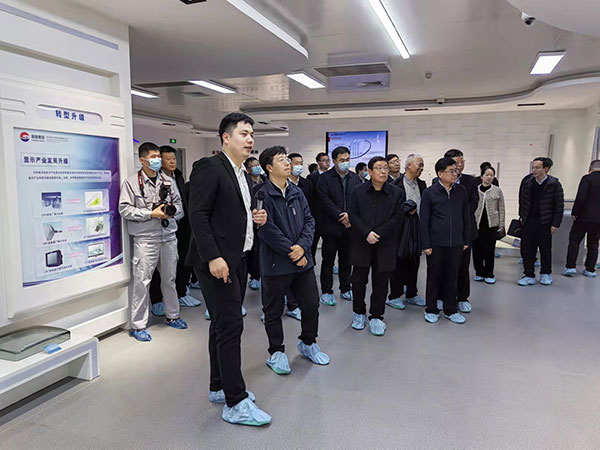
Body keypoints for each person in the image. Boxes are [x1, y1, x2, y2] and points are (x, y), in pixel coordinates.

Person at [187, 113, 271, 426]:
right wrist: (213, 257)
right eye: (243, 134)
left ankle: (218, 386)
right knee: (231, 326)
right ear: (226, 137)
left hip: (238, 258)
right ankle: (235, 401)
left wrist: (255, 218)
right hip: (218, 262)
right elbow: (198, 215)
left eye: (252, 135)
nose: (250, 140)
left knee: (222, 325)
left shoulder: (242, 173)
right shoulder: (210, 167)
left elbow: (232, 213)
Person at [256, 146, 329, 375]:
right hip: (276, 264)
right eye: (282, 160)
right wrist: (292, 250)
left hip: (303, 261)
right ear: (269, 167)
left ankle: (308, 342)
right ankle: (276, 351)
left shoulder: (297, 191)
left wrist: (302, 247)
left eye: (288, 159)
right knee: (273, 310)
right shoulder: (262, 194)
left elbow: (309, 221)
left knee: (311, 304)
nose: (288, 163)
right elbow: (266, 229)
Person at [118, 142, 187, 342]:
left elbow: (180, 208)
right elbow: (124, 209)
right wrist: (151, 213)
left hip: (168, 237)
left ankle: (173, 315)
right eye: (154, 157)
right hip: (145, 240)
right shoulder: (131, 183)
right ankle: (138, 325)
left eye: (158, 156)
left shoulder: (168, 181)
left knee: (169, 280)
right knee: (142, 282)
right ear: (142, 160)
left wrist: (170, 212)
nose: (157, 160)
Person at [348, 157, 405, 336]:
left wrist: (378, 233)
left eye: (385, 168)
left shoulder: (396, 192)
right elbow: (353, 214)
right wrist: (367, 233)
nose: (383, 171)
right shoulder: (358, 191)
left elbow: (398, 218)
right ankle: (359, 313)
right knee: (358, 281)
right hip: (361, 242)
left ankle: (376, 316)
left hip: (385, 243)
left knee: (381, 282)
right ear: (370, 171)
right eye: (378, 168)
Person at [149, 146, 201, 316]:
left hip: (181, 225)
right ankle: (157, 300)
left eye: (174, 158)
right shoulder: (155, 179)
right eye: (168, 159)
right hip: (160, 227)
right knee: (159, 269)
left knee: (181, 262)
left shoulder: (178, 177)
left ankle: (181, 293)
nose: (172, 162)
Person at [421, 157, 471, 324]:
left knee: (452, 277)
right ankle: (431, 308)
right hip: (436, 243)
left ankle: (451, 309)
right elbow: (424, 220)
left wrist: (465, 239)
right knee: (434, 277)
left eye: (455, 171)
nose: (454, 174)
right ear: (440, 174)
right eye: (451, 171)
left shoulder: (461, 191)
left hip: (456, 243)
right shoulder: (429, 193)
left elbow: (465, 216)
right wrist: (426, 244)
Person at [432, 149, 479, 313]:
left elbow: (473, 204)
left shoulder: (470, 181)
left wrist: (456, 215)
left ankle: (462, 297)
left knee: (462, 266)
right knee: (442, 267)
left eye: (461, 162)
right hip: (443, 233)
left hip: (463, 230)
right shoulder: (436, 182)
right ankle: (440, 297)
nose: (459, 166)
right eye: (456, 162)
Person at [317, 146, 360, 305]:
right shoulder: (325, 179)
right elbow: (324, 201)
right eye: (342, 160)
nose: (345, 163)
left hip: (349, 227)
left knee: (346, 260)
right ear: (334, 161)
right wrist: (341, 215)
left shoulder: (354, 178)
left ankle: (346, 288)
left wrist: (350, 215)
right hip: (331, 227)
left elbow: (358, 200)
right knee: (328, 261)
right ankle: (326, 291)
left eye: (347, 159)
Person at [388, 154, 427, 309]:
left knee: (414, 261)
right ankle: (394, 295)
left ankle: (411, 293)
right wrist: (405, 210)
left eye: (422, 164)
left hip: (416, 228)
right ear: (409, 165)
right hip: (400, 229)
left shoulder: (422, 184)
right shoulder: (395, 185)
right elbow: (390, 209)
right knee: (398, 262)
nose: (421, 167)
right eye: (419, 164)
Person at [517, 157, 564, 286]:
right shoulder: (527, 182)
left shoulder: (554, 184)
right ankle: (529, 274)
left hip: (546, 222)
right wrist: (522, 216)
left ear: (546, 169)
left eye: (537, 168)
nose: (534, 170)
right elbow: (521, 200)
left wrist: (556, 223)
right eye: (533, 167)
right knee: (527, 249)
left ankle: (545, 273)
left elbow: (559, 205)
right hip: (529, 220)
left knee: (545, 249)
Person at [285, 152, 313, 320]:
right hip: (284, 243)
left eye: (301, 163)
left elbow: (309, 216)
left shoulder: (304, 185)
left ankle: (294, 304)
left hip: (301, 237)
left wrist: (302, 245)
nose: (298, 166)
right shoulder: (264, 191)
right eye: (295, 163)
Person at [562, 159, 600, 278]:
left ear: (590, 169)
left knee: (574, 241)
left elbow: (581, 197)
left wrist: (575, 212)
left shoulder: (587, 179)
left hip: (583, 217)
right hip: (598, 220)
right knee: (593, 244)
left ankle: (571, 267)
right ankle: (590, 269)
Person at [472, 165, 505, 284]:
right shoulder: (475, 189)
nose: (489, 177)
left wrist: (501, 224)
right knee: (477, 250)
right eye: (487, 175)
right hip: (477, 224)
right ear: (481, 176)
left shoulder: (497, 190)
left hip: (491, 226)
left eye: (491, 175)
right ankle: (479, 272)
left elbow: (501, 207)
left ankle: (489, 274)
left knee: (489, 250)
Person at [307, 152, 330, 259]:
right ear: (318, 162)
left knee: (329, 246)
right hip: (315, 215)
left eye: (328, 160)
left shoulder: (332, 176)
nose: (327, 163)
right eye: (324, 160)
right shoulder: (312, 177)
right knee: (313, 243)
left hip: (329, 216)